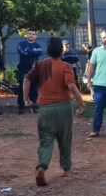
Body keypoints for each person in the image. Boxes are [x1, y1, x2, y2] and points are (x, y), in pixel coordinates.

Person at [24, 37, 86, 187]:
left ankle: (42, 167)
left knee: (46, 141)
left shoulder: (40, 65)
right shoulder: (66, 66)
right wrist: (81, 103)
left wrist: (26, 99)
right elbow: (71, 86)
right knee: (65, 139)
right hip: (63, 107)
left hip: (45, 108)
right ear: (61, 50)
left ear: (48, 49)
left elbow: (27, 79)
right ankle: (66, 169)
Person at [16, 30, 44, 114]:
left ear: (35, 36)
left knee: (34, 88)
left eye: (33, 34)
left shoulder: (37, 45)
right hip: (23, 69)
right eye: (30, 34)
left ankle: (33, 105)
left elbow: (39, 52)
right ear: (26, 35)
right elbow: (21, 51)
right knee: (22, 87)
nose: (31, 35)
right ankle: (21, 106)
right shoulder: (21, 44)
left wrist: (28, 51)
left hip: (34, 69)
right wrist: (32, 52)